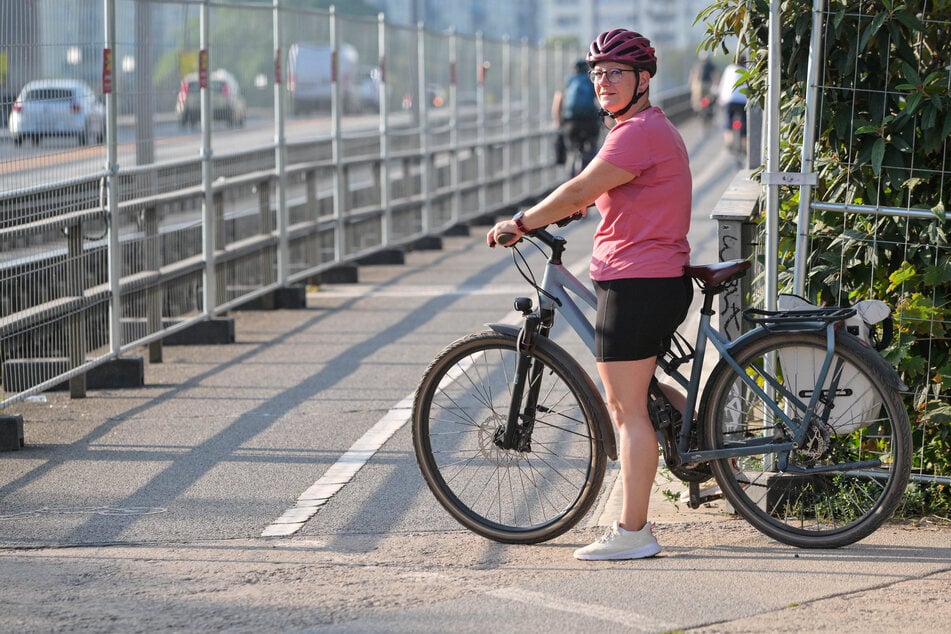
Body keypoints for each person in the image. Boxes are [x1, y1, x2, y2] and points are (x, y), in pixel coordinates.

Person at [487, 28, 693, 561]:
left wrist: (523, 220)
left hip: (638, 282)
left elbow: (580, 185)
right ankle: (716, 454)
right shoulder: (643, 127)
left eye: (615, 73)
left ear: (643, 79)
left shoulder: (636, 132)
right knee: (641, 394)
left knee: (625, 411)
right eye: (597, 73)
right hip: (653, 277)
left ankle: (633, 533)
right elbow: (606, 187)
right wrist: (584, 205)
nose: (603, 82)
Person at [551, 59, 603, 172]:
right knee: (592, 149)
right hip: (590, 121)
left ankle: (571, 175)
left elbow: (557, 103)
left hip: (571, 123)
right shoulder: (590, 82)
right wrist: (606, 118)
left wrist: (558, 122)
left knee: (571, 150)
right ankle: (591, 172)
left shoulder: (567, 82)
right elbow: (601, 101)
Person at [718, 55, 748, 150]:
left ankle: (728, 141)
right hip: (743, 100)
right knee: (745, 120)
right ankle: (745, 144)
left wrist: (720, 99)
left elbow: (722, 84)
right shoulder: (747, 70)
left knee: (728, 120)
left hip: (729, 99)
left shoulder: (729, 69)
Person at [688, 52, 718, 121]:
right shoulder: (710, 65)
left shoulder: (697, 65)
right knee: (707, 98)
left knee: (698, 99)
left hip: (700, 84)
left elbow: (693, 74)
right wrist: (716, 84)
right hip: (706, 84)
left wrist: (691, 83)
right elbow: (715, 75)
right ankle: (706, 110)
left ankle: (700, 111)